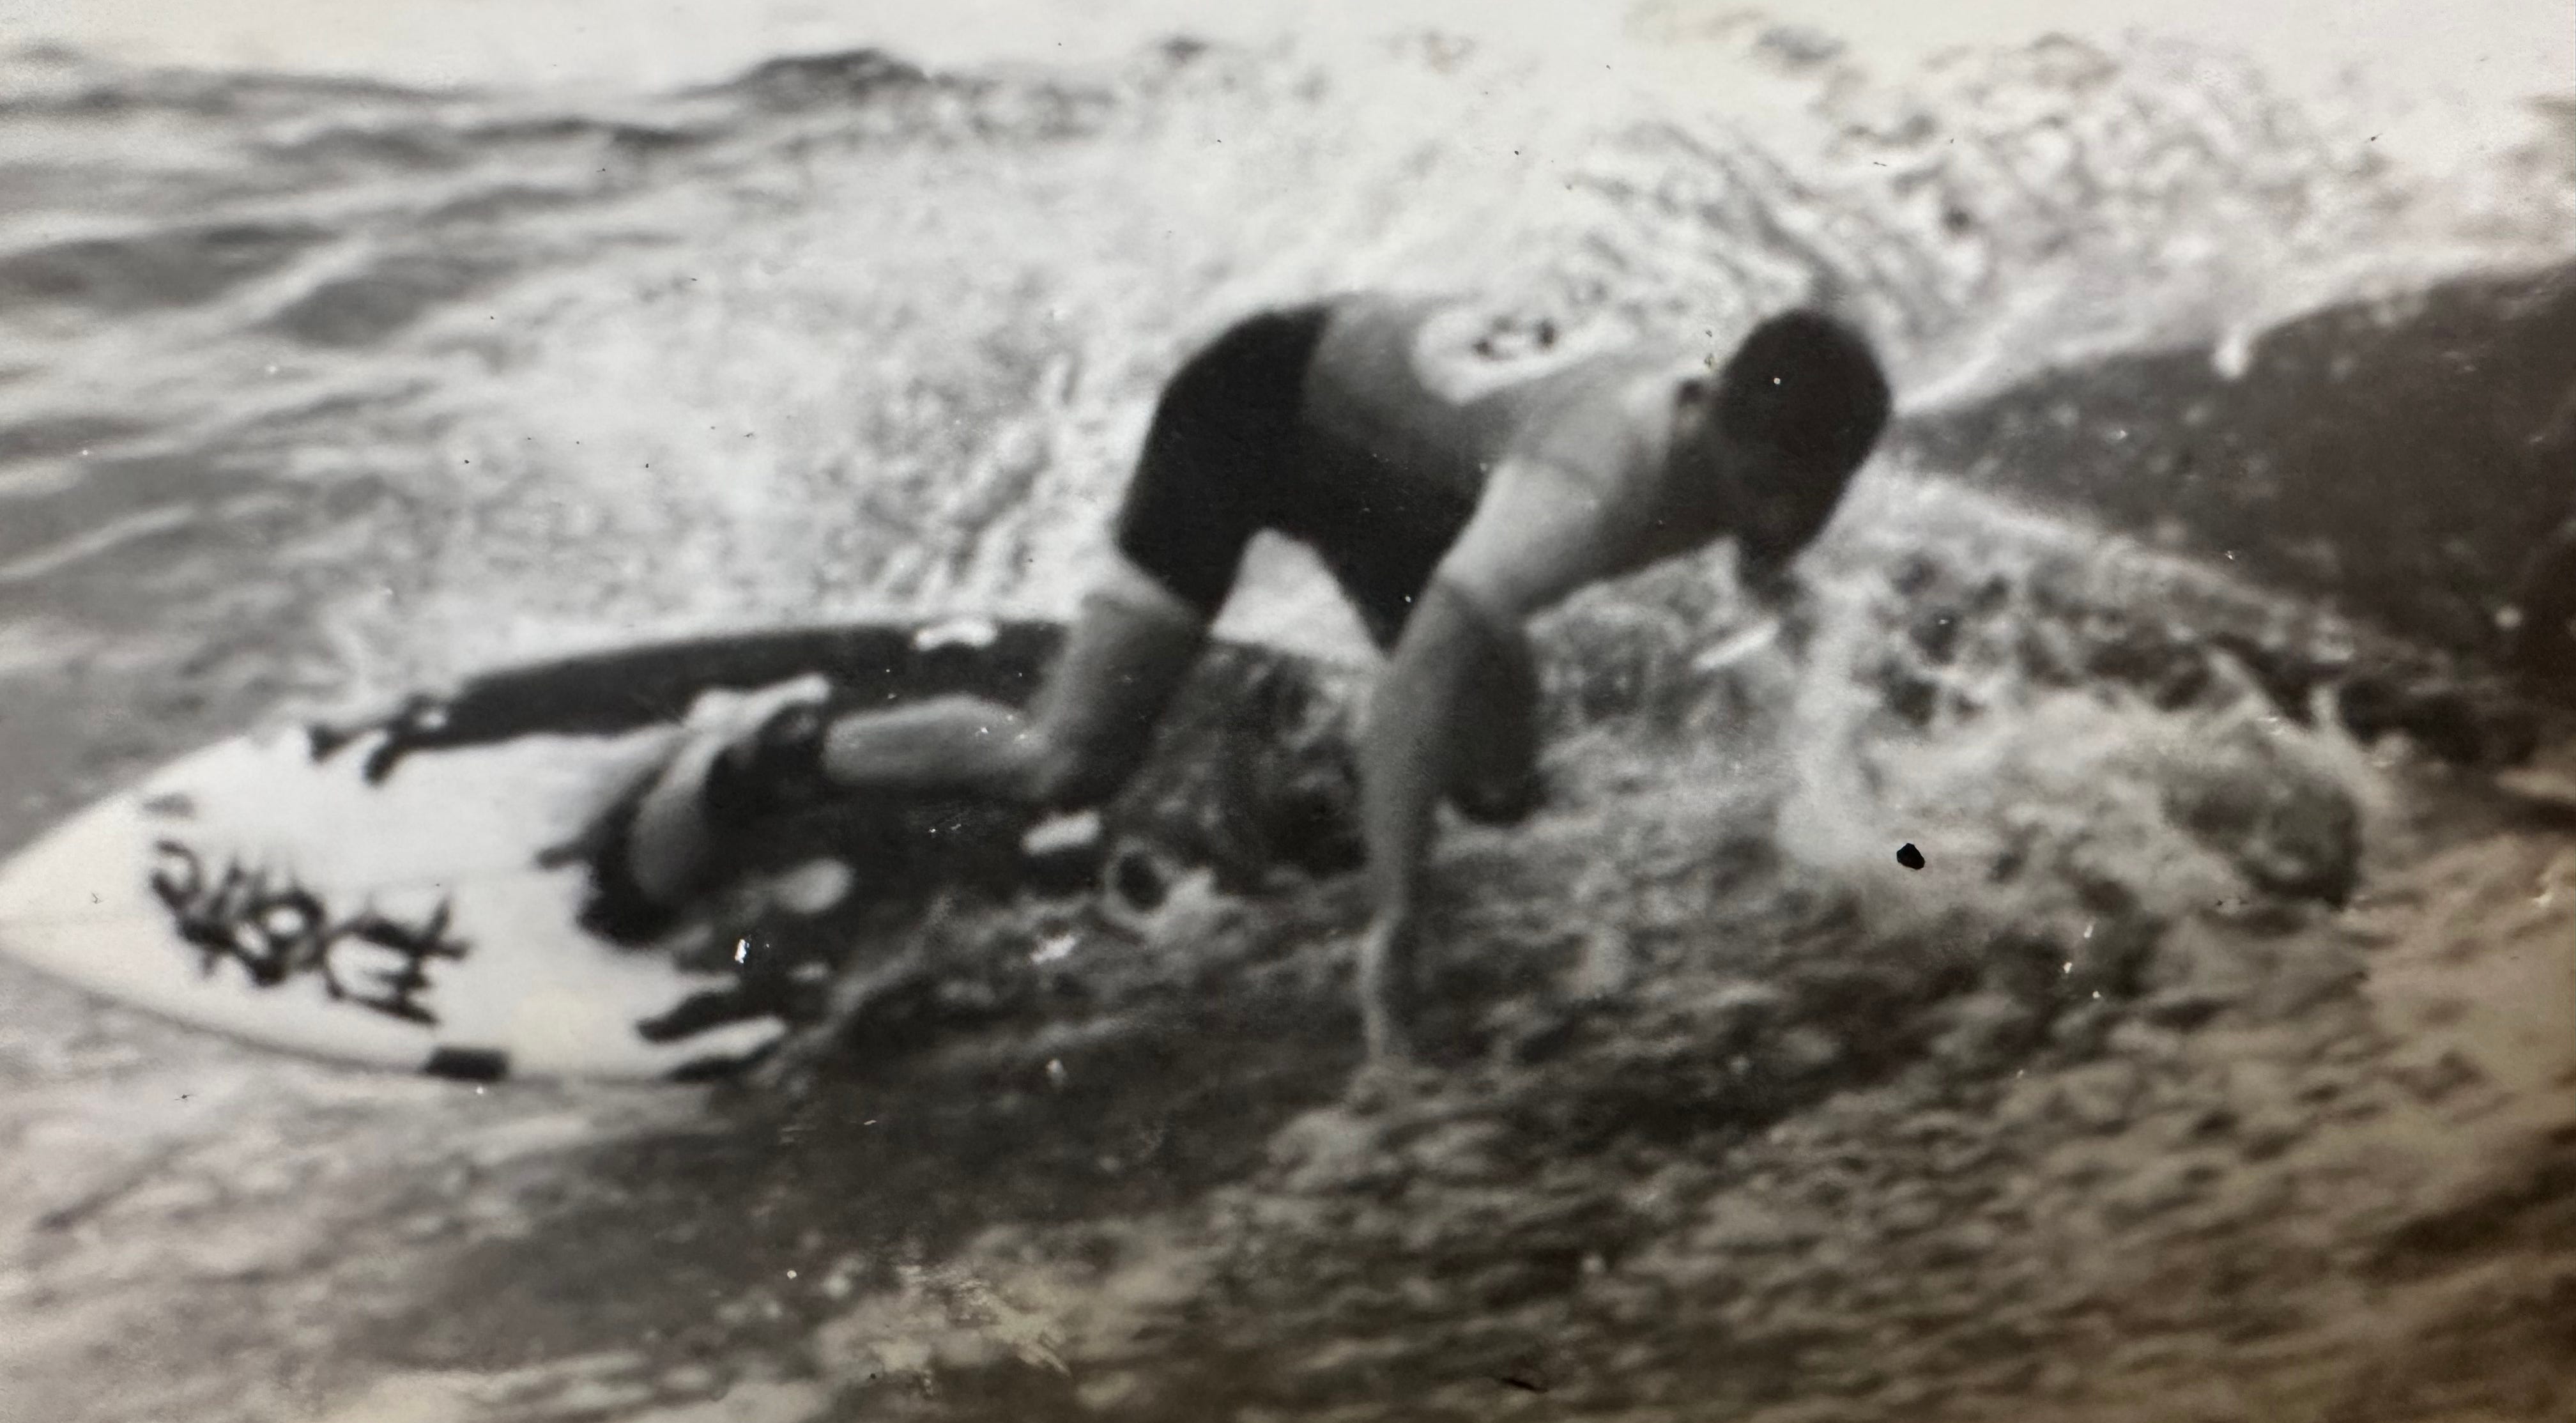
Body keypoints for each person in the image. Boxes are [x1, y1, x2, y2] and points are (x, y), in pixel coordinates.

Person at [614, 291, 1892, 1061]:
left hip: (1398, 483)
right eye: (1759, 489)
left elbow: (1766, 543)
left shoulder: (1757, 442)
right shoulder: (1588, 490)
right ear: (1714, 420)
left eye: (1810, 495)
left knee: (1503, 787)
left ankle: (1328, 789)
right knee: (1068, 764)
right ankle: (764, 758)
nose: (1784, 518)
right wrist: (1399, 916)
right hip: (1252, 415)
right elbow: (1423, 676)